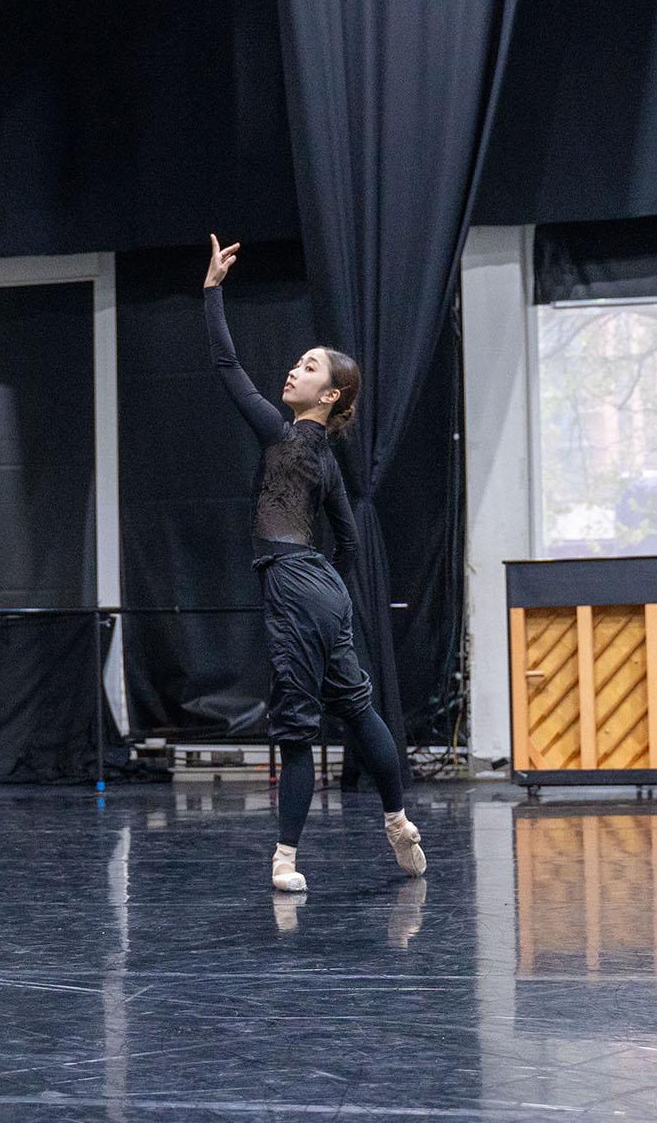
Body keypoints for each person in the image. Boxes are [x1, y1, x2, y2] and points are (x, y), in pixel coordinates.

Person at [201, 234, 425, 893]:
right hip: (323, 589)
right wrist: (322, 578)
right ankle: (398, 821)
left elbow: (225, 363)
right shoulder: (327, 464)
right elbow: (350, 544)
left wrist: (213, 291)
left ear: (328, 397)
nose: (294, 371)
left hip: (297, 589)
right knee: (357, 711)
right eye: (298, 363)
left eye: (308, 367)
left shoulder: (282, 434)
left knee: (298, 727)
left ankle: (285, 860)